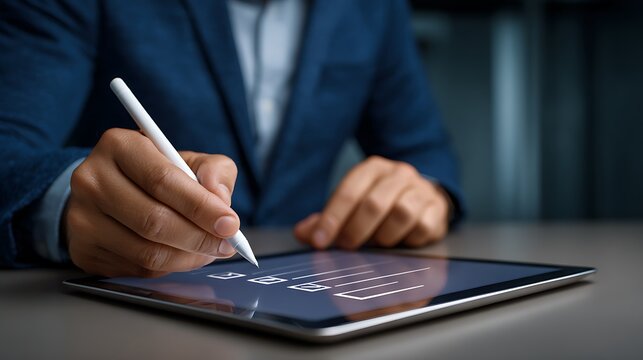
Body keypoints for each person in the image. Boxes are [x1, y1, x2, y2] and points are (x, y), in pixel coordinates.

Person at [0, 0, 464, 276]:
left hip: (311, 290)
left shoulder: (374, 8)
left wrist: (423, 192)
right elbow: (8, 154)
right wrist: (66, 202)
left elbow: (425, 153)